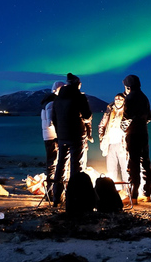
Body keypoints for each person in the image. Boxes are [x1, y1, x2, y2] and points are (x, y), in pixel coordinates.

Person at [51, 73, 92, 206]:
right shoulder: (79, 97)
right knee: (76, 167)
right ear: (77, 84)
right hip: (76, 135)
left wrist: (59, 134)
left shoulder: (57, 99)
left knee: (60, 166)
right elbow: (87, 115)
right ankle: (74, 198)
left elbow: (54, 119)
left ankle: (57, 198)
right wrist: (85, 120)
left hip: (62, 136)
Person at [121, 74, 151, 201]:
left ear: (128, 86)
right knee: (145, 162)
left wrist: (123, 128)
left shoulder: (129, 98)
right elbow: (149, 117)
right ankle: (147, 193)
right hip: (143, 133)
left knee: (133, 163)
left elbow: (126, 118)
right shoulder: (144, 97)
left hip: (133, 134)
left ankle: (134, 195)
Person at [98, 93, 129, 186]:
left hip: (122, 143)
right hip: (110, 142)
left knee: (125, 168)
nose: (118, 100)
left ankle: (127, 189)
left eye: (120, 99)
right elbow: (102, 124)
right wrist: (101, 136)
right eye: (116, 99)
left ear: (124, 101)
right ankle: (112, 188)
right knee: (111, 169)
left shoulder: (127, 111)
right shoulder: (109, 111)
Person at [41, 81, 64, 195]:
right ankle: (51, 192)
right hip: (52, 137)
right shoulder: (51, 103)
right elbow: (51, 122)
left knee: (52, 163)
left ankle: (52, 190)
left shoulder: (49, 102)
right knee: (53, 164)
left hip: (49, 137)